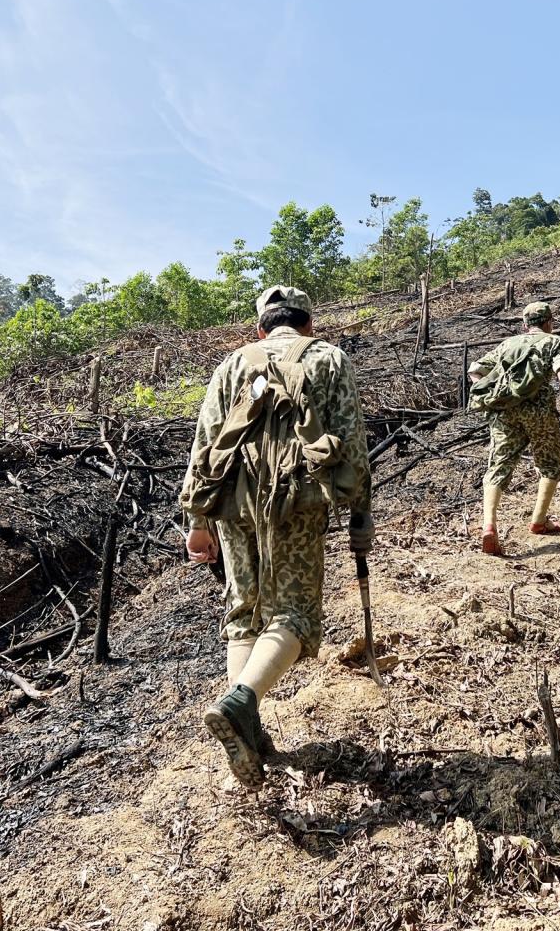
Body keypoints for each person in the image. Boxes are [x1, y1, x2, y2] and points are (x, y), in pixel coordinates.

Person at [181, 285, 372, 789]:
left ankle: (248, 730)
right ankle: (242, 705)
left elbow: (205, 440)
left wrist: (198, 520)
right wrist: (360, 513)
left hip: (230, 501)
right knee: (295, 615)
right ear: (308, 325)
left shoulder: (231, 364)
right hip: (298, 500)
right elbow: (351, 439)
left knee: (244, 611)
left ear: (260, 328)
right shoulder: (329, 358)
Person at [468, 301, 560, 556]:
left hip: (504, 412)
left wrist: (494, 391)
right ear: (549, 322)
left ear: (525, 325)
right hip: (539, 411)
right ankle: (539, 520)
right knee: (551, 462)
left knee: (499, 464)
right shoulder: (553, 342)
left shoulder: (508, 344)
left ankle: (489, 525)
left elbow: (475, 370)